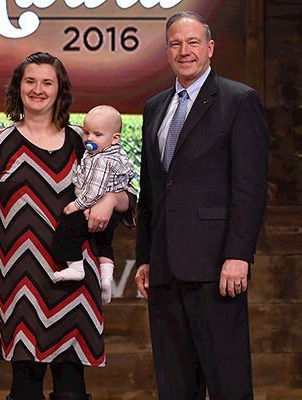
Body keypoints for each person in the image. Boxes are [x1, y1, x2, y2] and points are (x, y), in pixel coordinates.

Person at [0, 52, 134, 400]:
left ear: (60, 90)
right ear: (18, 87)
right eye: (30, 81)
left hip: (73, 281)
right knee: (26, 387)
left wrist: (109, 199)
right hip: (19, 284)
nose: (38, 89)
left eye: (48, 82)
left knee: (72, 389)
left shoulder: (84, 141)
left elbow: (129, 198)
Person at [134, 11, 268, 400]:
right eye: (175, 43)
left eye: (193, 42)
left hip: (216, 269)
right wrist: (146, 256)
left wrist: (239, 255)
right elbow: (152, 188)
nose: (184, 50)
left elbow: (250, 188)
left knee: (228, 383)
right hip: (164, 271)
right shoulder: (154, 107)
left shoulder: (239, 101)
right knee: (174, 386)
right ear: (167, 53)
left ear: (210, 49)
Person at [51, 105, 135, 301]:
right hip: (108, 215)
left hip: (93, 208)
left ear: (115, 138)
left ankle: (75, 267)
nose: (89, 138)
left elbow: (94, 191)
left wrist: (77, 205)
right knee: (104, 243)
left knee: (68, 229)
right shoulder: (115, 154)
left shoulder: (101, 160)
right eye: (86, 132)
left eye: (97, 134)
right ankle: (106, 279)